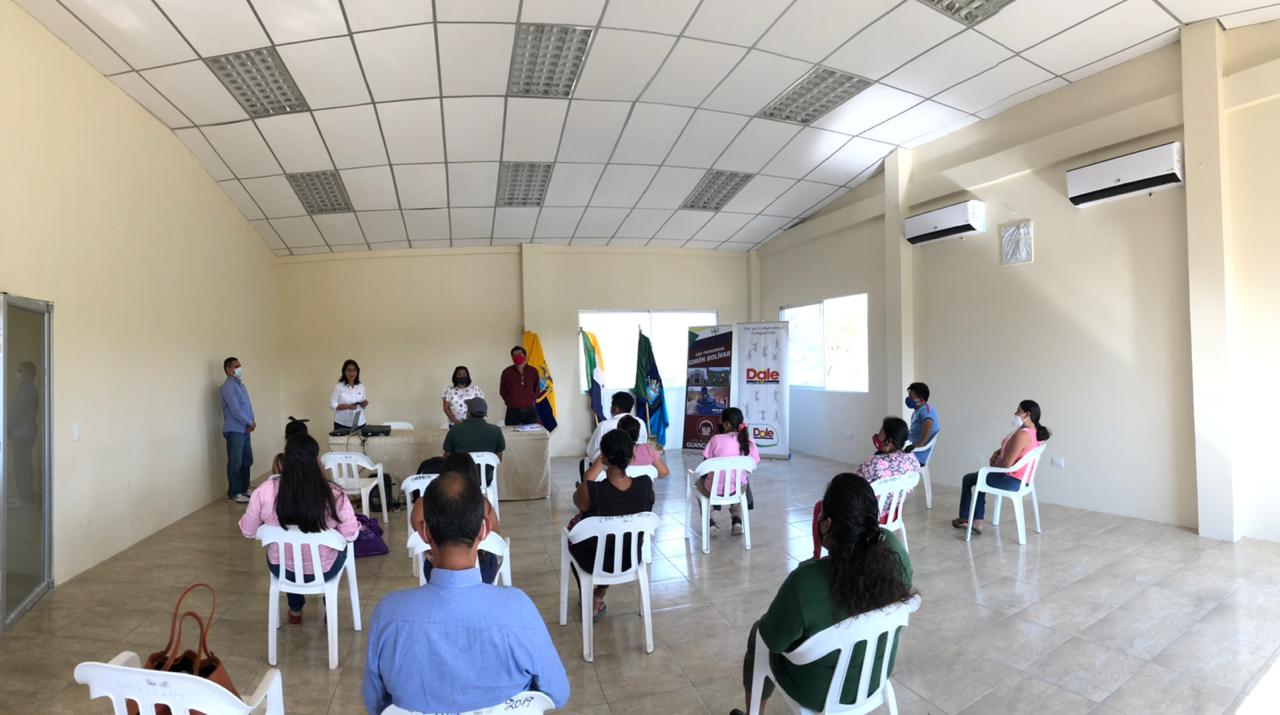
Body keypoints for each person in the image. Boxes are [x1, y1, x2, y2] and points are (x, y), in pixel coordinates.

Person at [363, 471, 569, 714]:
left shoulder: (389, 614)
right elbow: (558, 693)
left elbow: (375, 704)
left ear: (424, 532)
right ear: (484, 530)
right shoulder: (518, 609)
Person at [731, 476, 914, 715]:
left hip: (818, 692)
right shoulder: (896, 553)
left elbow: (774, 640)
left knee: (759, 633)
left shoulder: (805, 582)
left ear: (827, 524)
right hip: (875, 678)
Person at [239, 433, 359, 625]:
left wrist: (267, 525)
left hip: (282, 570)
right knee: (337, 549)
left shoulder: (264, 491)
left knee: (289, 556)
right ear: (316, 460)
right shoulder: (334, 494)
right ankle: (329, 610)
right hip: (325, 570)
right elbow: (350, 534)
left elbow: (248, 531)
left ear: (285, 460)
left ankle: (295, 610)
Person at [568, 429, 656, 621]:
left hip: (595, 562)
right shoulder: (645, 485)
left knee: (572, 535)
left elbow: (578, 501)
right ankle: (598, 594)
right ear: (631, 457)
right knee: (612, 539)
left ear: (603, 457)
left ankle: (589, 596)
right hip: (630, 558)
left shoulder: (590, 490)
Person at [810, 417, 919, 559]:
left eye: (881, 433)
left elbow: (853, 489)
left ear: (889, 442)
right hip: (892, 513)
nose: (877, 435)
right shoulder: (912, 460)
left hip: (867, 516)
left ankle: (817, 556)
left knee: (820, 506)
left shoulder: (873, 463)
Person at [952, 399, 1052, 535]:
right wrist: (998, 452)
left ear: (1027, 415)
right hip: (1023, 479)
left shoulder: (1022, 435)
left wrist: (993, 464)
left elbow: (1006, 465)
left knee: (970, 479)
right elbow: (1015, 449)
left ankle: (969, 520)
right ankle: (976, 519)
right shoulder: (1033, 432)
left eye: (1018, 411)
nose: (1015, 413)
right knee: (980, 476)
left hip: (1012, 480)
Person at [412, 452, 504, 584]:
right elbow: (496, 538)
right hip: (483, 572)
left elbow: (419, 538)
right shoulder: (483, 504)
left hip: (436, 572)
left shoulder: (423, 504)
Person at [700, 407, 759, 536]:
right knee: (740, 481)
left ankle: (710, 522)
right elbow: (753, 464)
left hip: (714, 489)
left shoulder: (716, 439)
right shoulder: (748, 440)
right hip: (737, 489)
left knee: (700, 484)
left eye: (721, 421)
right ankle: (737, 520)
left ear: (726, 424)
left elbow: (705, 464)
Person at [442, 397, 505, 489]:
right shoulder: (496, 431)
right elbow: (498, 459)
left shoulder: (455, 430)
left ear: (468, 412)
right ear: (485, 413)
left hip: (460, 480)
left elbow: (446, 458)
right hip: (486, 479)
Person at [584, 415, 668, 480]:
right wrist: (650, 474)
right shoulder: (648, 449)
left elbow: (589, 477)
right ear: (637, 433)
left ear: (618, 430)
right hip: (642, 495)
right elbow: (664, 472)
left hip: (613, 493)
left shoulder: (612, 449)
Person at [219, 356, 256, 504]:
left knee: (247, 460)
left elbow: (247, 406)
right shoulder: (227, 387)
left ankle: (244, 489)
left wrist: (251, 422)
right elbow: (235, 409)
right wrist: (249, 422)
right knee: (236, 463)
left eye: (240, 366)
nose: (239, 368)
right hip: (234, 430)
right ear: (228, 370)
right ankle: (234, 493)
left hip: (245, 429)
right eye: (236, 366)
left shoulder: (241, 385)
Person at [6, 361, 38, 509]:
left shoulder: (28, 390)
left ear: (29, 373)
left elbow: (17, 413)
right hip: (21, 434)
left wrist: (7, 428)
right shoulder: (24, 388)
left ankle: (25, 500)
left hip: (23, 435)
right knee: (21, 466)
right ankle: (23, 497)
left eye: (21, 370)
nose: (18, 373)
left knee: (22, 467)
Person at [584, 391, 649, 464]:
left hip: (609, 465)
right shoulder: (641, 422)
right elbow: (643, 444)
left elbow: (591, 452)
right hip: (638, 463)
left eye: (611, 406)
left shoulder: (603, 426)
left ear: (616, 409)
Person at [499, 346, 543, 426]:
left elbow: (537, 389)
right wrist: (510, 401)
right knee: (510, 433)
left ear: (525, 356)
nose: (517, 356)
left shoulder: (533, 371)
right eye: (514, 355)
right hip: (512, 410)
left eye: (519, 354)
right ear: (512, 358)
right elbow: (502, 391)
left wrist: (531, 399)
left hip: (530, 410)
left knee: (534, 433)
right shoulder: (507, 372)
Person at [904, 382, 939, 465]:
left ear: (921, 399)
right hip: (912, 453)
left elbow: (929, 423)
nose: (908, 399)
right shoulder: (918, 411)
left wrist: (920, 445)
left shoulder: (925, 410)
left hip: (917, 456)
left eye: (911, 397)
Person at [330, 359, 368, 433]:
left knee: (361, 441)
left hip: (360, 422)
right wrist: (347, 406)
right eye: (349, 370)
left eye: (354, 370)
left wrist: (364, 404)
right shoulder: (339, 387)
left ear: (357, 372)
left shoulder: (361, 386)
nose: (352, 372)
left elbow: (362, 406)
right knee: (342, 441)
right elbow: (332, 404)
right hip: (342, 423)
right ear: (344, 372)